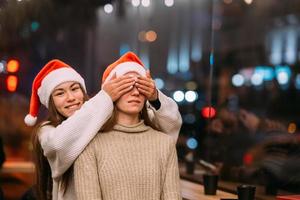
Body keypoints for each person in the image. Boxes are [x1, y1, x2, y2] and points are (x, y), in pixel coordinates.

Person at [24, 56, 182, 200]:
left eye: (75, 89)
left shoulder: (101, 119)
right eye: (60, 93)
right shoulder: (48, 131)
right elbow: (59, 143)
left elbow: (171, 124)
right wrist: (106, 96)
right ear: (50, 102)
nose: (71, 98)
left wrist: (155, 96)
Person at [74, 52, 181, 200]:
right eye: (126, 85)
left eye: (141, 85)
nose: (136, 92)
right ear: (111, 92)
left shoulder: (164, 143)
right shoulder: (90, 145)